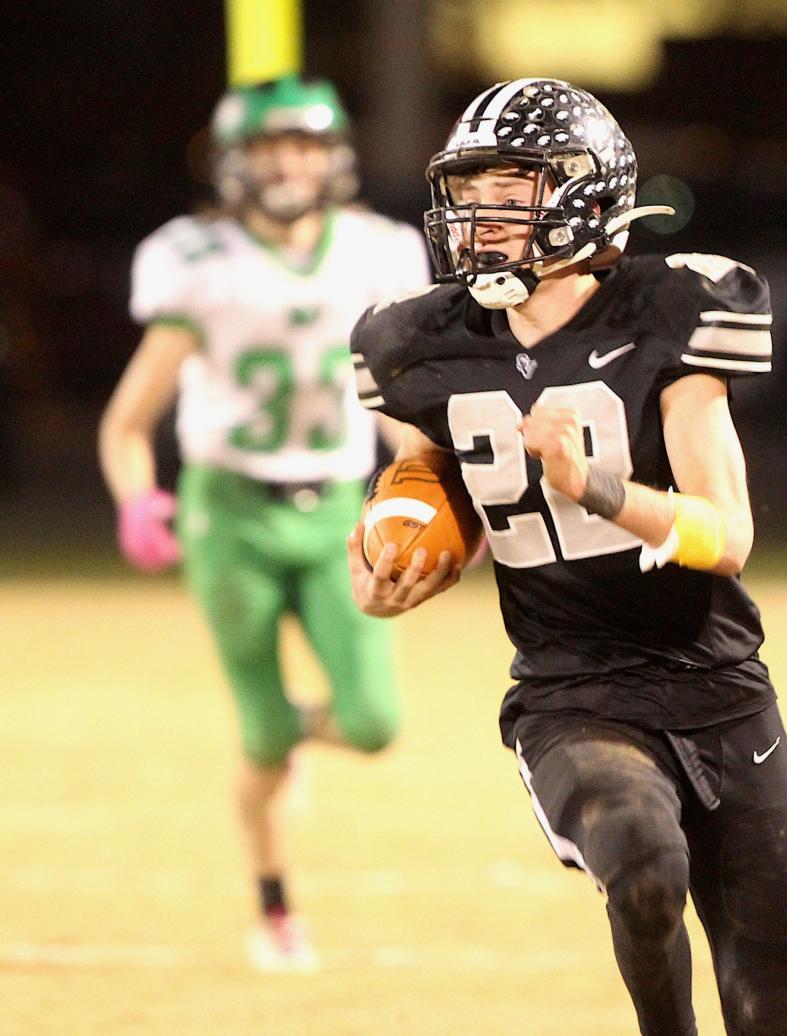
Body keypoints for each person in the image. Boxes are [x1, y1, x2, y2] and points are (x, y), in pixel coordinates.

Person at [347, 78, 787, 1034]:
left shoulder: (671, 312)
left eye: (510, 189)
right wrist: (389, 560)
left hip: (721, 685)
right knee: (644, 866)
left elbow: (726, 536)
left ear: (583, 191)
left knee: (776, 963)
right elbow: (424, 477)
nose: (480, 216)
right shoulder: (422, 345)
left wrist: (598, 487)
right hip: (573, 694)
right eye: (469, 191)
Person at [99, 75, 431, 971]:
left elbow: (399, 404)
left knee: (370, 722)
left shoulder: (379, 251)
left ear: (335, 156)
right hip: (230, 514)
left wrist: (429, 481)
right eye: (273, 146)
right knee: (264, 740)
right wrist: (138, 498)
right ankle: (275, 905)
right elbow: (128, 421)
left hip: (334, 510)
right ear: (236, 162)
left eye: (306, 144)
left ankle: (288, 731)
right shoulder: (198, 257)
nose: (290, 162)